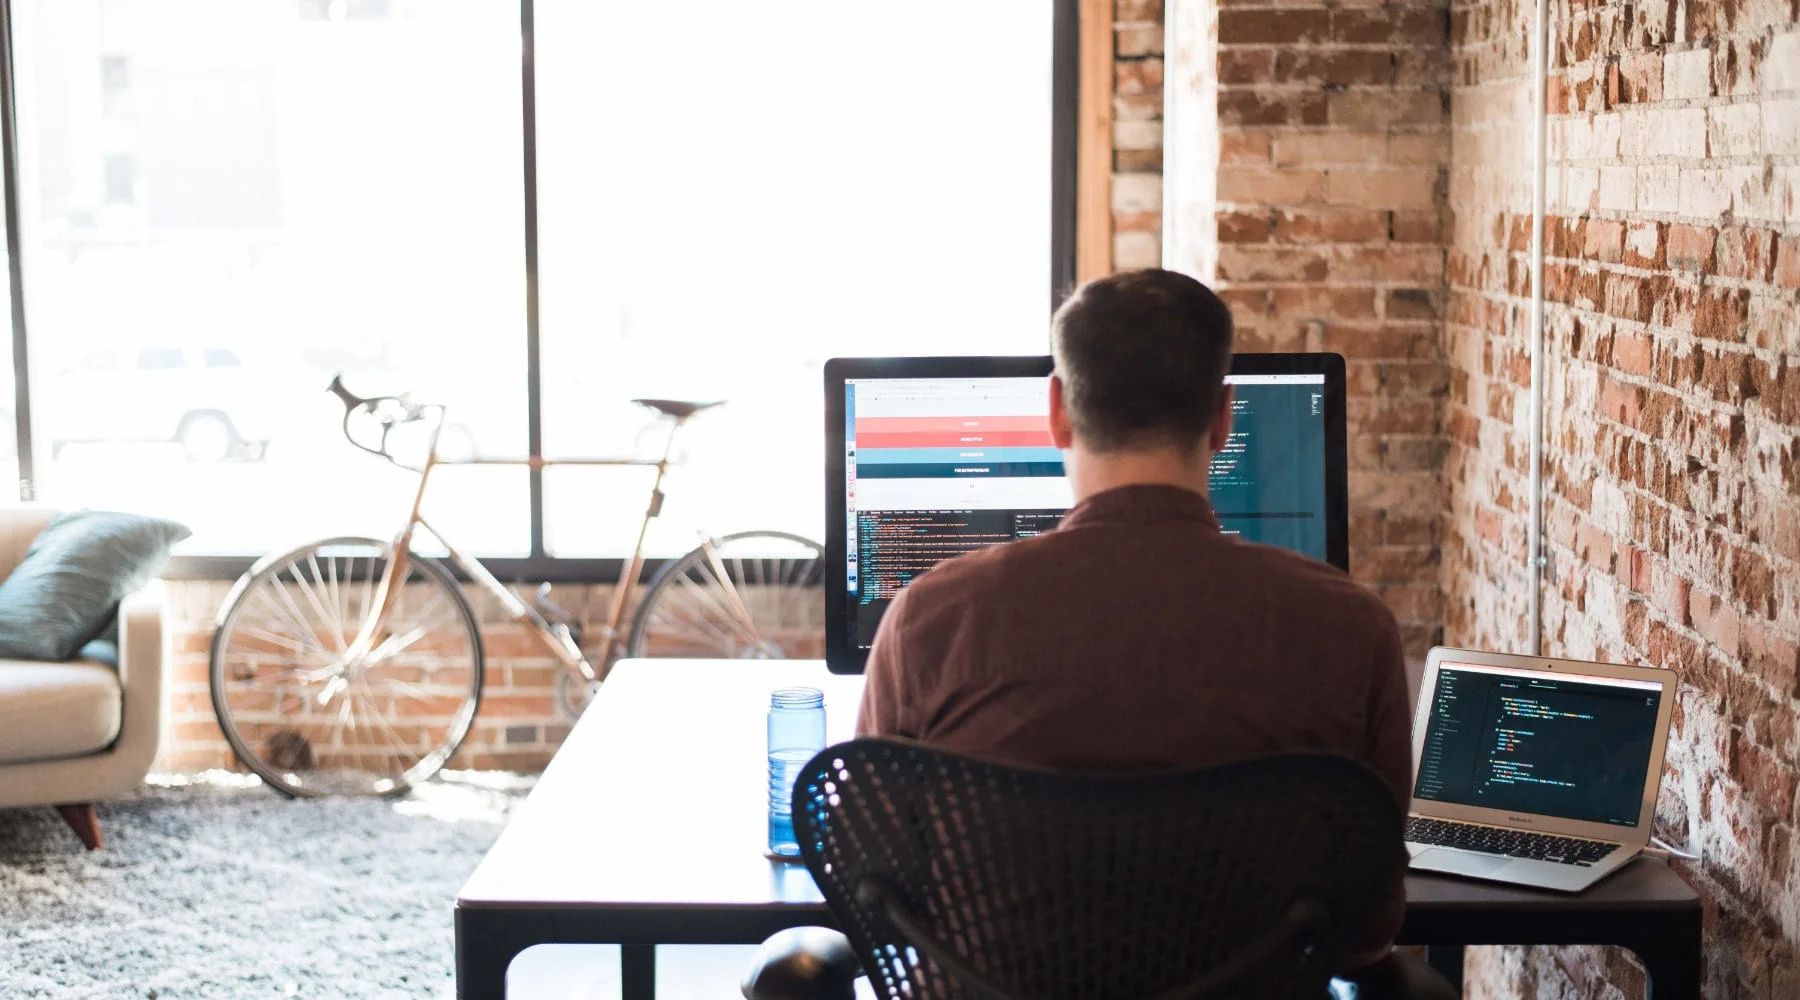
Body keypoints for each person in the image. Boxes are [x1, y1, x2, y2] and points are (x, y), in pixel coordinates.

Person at [856, 269, 1415, 976]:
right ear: (1222, 419)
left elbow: (877, 887)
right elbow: (1366, 929)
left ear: (1057, 412)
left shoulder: (927, 621)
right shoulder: (1353, 630)